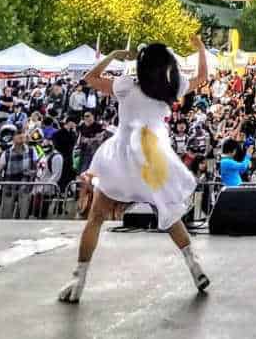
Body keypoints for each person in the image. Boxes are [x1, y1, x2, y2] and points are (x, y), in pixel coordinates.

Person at [57, 36, 210, 304]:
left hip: (122, 159)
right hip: (153, 159)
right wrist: (200, 49)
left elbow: (91, 78)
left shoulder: (126, 86)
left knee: (96, 218)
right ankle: (195, 267)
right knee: (169, 215)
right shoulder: (171, 89)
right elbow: (203, 76)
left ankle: (77, 281)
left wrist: (114, 55)